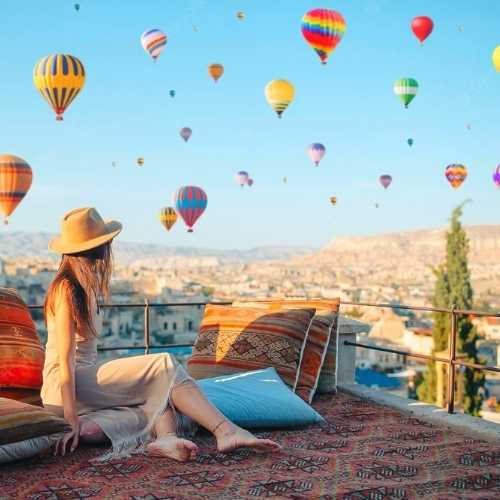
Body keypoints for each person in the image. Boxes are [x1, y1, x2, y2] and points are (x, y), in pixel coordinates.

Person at [41, 207, 280, 461]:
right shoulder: (65, 289)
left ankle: (165, 438)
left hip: (85, 382)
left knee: (153, 395)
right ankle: (225, 429)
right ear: (96, 246)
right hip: (65, 386)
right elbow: (65, 362)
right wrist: (70, 420)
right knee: (163, 364)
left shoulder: (83, 286)